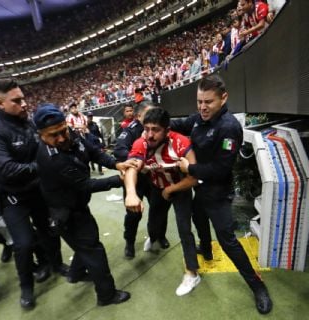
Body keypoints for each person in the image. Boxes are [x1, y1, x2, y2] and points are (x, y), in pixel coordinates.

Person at [174, 74, 272, 314]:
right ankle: (206, 249)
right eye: (199, 102)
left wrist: (190, 169)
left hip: (217, 193)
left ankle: (258, 286)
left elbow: (221, 169)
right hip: (200, 188)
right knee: (198, 219)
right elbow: (183, 124)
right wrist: (158, 120)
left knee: (228, 242)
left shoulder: (228, 128)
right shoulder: (199, 118)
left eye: (208, 102)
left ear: (223, 98)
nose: (202, 107)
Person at [33, 103, 137, 306]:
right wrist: (120, 180)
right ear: (41, 135)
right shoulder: (52, 160)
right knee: (93, 249)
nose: (62, 138)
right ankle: (106, 296)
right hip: (67, 213)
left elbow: (95, 152)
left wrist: (116, 164)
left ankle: (75, 273)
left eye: (63, 131)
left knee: (85, 245)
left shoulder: (71, 134)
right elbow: (85, 185)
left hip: (77, 205)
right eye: (54, 135)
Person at [0, 79, 68, 309]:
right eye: (17, 100)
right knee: (23, 244)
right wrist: (44, 166)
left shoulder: (30, 122)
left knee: (49, 230)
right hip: (12, 197)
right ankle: (27, 287)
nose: (24, 104)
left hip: (37, 191)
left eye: (23, 98)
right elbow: (7, 169)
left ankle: (56, 264)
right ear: (0, 103)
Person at [124, 107, 200, 296]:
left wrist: (171, 189)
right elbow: (131, 168)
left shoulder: (181, 143)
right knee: (154, 221)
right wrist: (131, 193)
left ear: (167, 130)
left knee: (184, 229)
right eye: (147, 128)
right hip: (157, 188)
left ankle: (192, 273)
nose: (150, 135)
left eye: (155, 129)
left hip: (180, 188)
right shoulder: (141, 142)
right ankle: (154, 236)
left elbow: (194, 177)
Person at [114, 101, 170, 259]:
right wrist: (136, 161)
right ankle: (129, 243)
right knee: (133, 214)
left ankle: (160, 235)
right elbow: (119, 150)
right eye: (149, 115)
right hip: (136, 179)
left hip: (154, 177)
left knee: (159, 209)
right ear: (139, 116)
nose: (153, 118)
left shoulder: (160, 129)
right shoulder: (131, 131)